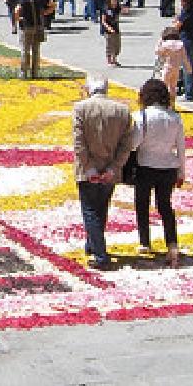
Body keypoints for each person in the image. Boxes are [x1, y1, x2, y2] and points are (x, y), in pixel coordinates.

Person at [72, 74, 133, 270]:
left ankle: (100, 255)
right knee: (101, 208)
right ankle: (92, 245)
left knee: (90, 211)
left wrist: (89, 168)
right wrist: (113, 168)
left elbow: (79, 144)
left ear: (88, 89)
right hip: (110, 169)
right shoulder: (122, 110)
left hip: (87, 170)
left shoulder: (81, 108)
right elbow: (126, 146)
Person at [131, 78, 186, 268]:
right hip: (169, 167)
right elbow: (181, 148)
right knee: (165, 207)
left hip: (146, 165)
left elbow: (133, 143)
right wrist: (181, 172)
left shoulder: (142, 117)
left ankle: (145, 242)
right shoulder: (175, 117)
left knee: (142, 204)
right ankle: (172, 244)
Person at [15, 0, 52, 79]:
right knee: (36, 50)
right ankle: (34, 73)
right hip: (39, 26)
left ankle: (23, 73)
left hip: (26, 27)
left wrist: (19, 19)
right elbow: (52, 5)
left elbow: (16, 10)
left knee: (25, 50)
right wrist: (45, 13)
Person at [155, 26, 191, 106]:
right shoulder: (180, 45)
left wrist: (160, 41)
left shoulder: (165, 44)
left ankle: (162, 103)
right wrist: (188, 69)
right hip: (176, 68)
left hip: (167, 67)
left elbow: (157, 52)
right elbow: (185, 58)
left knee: (163, 86)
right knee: (173, 87)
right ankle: (172, 104)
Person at [101, 0, 122, 66]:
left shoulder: (117, 8)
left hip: (116, 29)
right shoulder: (106, 9)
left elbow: (119, 13)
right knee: (109, 45)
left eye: (116, 0)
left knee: (117, 45)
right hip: (108, 31)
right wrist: (108, 27)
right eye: (114, 0)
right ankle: (109, 60)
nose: (115, 2)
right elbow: (103, 21)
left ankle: (114, 59)